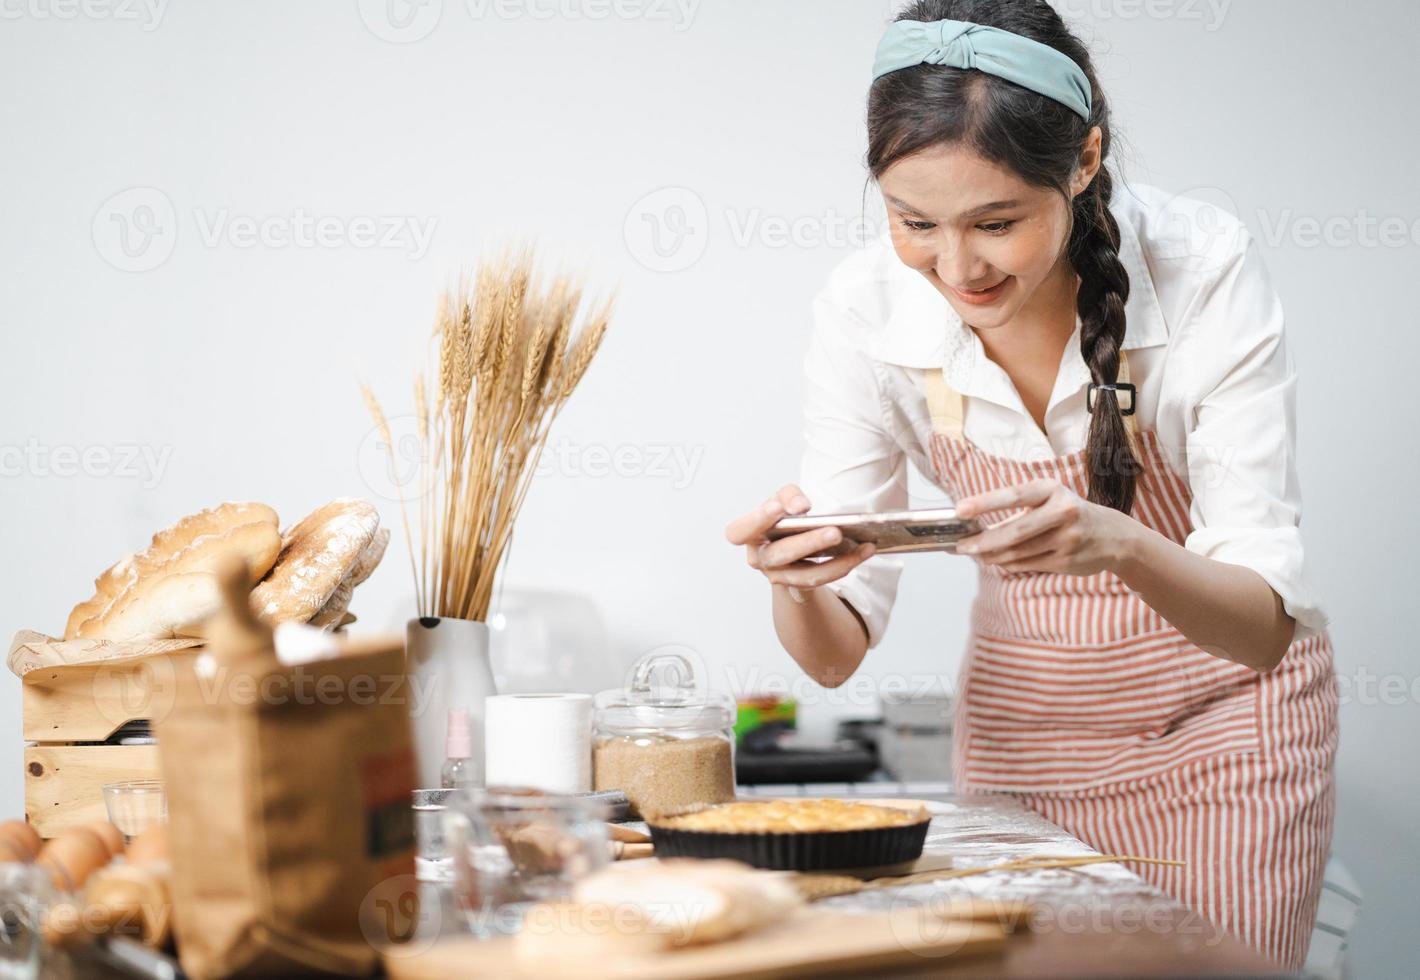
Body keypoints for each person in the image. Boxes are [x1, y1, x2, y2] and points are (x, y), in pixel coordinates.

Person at [725, 1, 1337, 969]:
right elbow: (833, 653)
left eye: (996, 221)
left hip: (1222, 741)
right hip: (1022, 744)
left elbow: (1262, 623)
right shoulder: (862, 307)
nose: (955, 265)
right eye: (911, 220)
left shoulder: (1201, 264)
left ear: (1084, 160)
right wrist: (792, 579)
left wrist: (1121, 542)